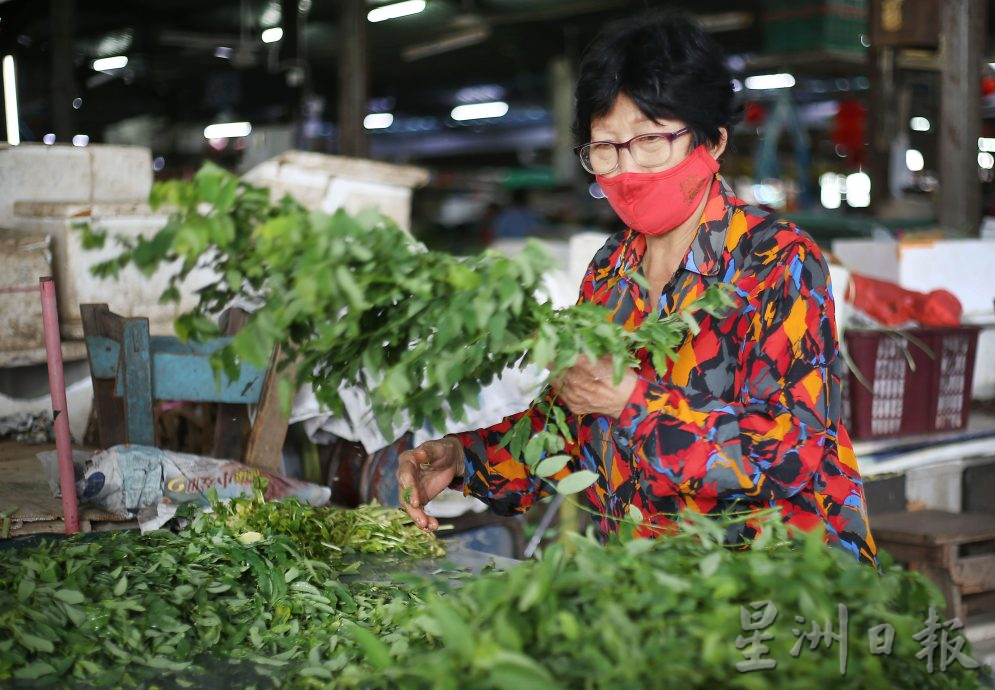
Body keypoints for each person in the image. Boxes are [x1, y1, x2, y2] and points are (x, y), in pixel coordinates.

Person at [397, 9, 878, 566]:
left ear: (712, 141)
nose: (627, 170)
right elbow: (567, 429)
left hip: (780, 580)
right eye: (606, 147)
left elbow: (792, 455)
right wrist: (463, 457)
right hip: (653, 586)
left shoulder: (776, 260)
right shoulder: (609, 270)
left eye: (651, 141)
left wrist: (632, 402)